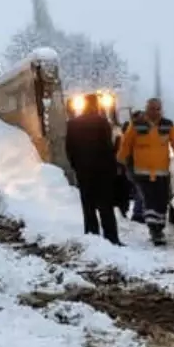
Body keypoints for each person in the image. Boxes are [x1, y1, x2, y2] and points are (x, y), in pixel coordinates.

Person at [117, 98, 174, 246]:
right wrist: (121, 161)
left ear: (161, 110)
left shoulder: (167, 125)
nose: (154, 112)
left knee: (162, 202)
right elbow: (126, 144)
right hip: (142, 173)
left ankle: (159, 227)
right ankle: (155, 231)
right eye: (151, 109)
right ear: (146, 109)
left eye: (157, 109)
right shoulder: (136, 126)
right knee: (150, 201)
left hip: (162, 172)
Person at [66, 95, 123, 245]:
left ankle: (92, 236)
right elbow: (107, 147)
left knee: (88, 205)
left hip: (83, 172)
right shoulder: (102, 122)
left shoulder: (72, 124)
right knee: (106, 206)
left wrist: (76, 166)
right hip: (102, 171)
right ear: (96, 106)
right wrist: (112, 167)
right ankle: (111, 238)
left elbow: (69, 149)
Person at [118, 111, 146, 222]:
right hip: (135, 167)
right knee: (141, 190)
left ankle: (140, 212)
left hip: (133, 167)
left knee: (140, 190)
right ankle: (138, 214)